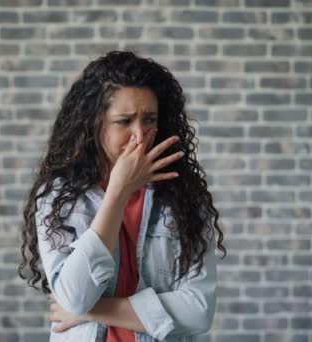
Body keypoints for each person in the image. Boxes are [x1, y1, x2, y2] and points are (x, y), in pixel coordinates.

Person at [18, 50, 226, 342]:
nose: (139, 134)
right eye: (124, 121)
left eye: (149, 119)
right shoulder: (58, 196)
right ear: (95, 124)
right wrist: (117, 192)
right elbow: (76, 296)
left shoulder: (185, 197)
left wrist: (94, 310)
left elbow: (199, 311)